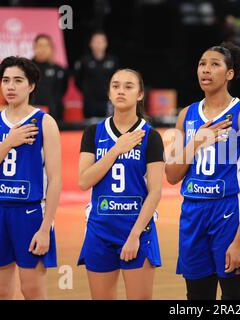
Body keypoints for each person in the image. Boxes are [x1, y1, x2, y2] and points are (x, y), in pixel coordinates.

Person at [165, 42, 240, 300]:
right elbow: (172, 175)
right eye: (202, 64)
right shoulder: (185, 115)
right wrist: (197, 140)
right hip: (193, 213)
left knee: (234, 299)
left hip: (228, 212)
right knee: (196, 298)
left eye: (214, 64)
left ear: (229, 74)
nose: (206, 70)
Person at [77, 68, 164, 300]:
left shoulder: (150, 136)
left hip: (137, 228)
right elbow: (84, 180)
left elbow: (155, 192)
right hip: (100, 229)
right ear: (108, 93)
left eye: (128, 86)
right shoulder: (93, 132)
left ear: (140, 94)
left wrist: (135, 235)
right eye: (115, 86)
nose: (121, 91)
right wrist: (116, 150)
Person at [0, 56, 61, 299]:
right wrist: (9, 142)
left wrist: (45, 229)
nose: (10, 86)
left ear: (31, 86)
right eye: (6, 80)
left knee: (32, 292)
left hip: (30, 214)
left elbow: (55, 180)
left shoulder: (45, 122)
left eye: (18, 80)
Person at [74, 31, 118, 121]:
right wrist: (86, 91)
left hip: (108, 101)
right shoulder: (84, 61)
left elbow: (117, 80)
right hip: (90, 102)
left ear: (106, 44)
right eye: (95, 41)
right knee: (90, 128)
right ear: (90, 44)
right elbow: (78, 80)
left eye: (101, 42)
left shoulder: (113, 61)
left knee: (109, 125)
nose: (98, 44)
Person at [32, 34, 68, 123]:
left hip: (54, 114)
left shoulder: (59, 70)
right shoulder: (26, 68)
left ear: (51, 49)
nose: (43, 49)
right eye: (40, 46)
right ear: (34, 48)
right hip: (31, 114)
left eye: (46, 46)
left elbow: (63, 89)